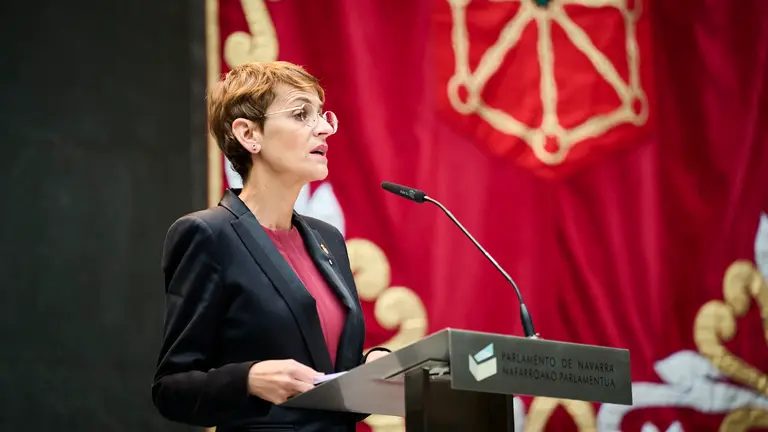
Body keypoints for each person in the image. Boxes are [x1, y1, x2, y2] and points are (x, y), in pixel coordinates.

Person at [152, 61, 390, 432]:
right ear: (249, 134)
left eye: (323, 115)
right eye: (301, 114)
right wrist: (247, 379)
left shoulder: (329, 239)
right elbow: (171, 388)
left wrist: (374, 368)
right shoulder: (208, 235)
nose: (325, 128)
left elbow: (324, 384)